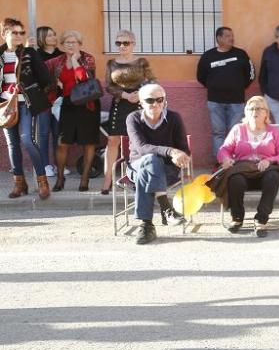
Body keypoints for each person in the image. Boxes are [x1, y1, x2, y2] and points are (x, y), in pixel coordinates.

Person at [215, 95, 279, 238]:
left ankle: (261, 219)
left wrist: (269, 160)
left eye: (258, 108)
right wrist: (225, 159)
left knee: (273, 177)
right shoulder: (238, 129)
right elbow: (223, 150)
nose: (254, 112)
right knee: (234, 178)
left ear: (266, 113)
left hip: (265, 172)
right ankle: (237, 218)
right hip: (243, 171)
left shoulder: (274, 132)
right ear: (246, 112)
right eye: (251, 109)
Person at [126, 83, 190, 245]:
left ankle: (146, 225)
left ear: (165, 101)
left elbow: (183, 149)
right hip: (136, 166)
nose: (155, 104)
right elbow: (141, 148)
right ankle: (166, 207)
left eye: (159, 99)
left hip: (167, 170)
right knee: (150, 161)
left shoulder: (174, 118)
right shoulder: (133, 118)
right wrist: (169, 151)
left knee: (148, 171)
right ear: (140, 102)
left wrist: (181, 156)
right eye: (149, 100)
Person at [1, 18, 52, 199]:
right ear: (4, 34)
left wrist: (31, 89)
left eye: (21, 33)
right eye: (14, 32)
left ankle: (42, 182)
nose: (19, 36)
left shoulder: (29, 53)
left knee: (27, 139)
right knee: (12, 144)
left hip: (26, 103)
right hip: (5, 106)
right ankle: (19, 183)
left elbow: (46, 78)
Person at [100, 30, 155, 195]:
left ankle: (135, 176)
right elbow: (109, 85)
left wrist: (139, 94)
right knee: (112, 141)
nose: (122, 46)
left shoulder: (142, 62)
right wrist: (125, 95)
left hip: (139, 104)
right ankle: (107, 179)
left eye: (126, 43)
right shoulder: (111, 63)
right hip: (119, 103)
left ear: (133, 44)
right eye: (118, 43)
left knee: (136, 141)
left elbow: (152, 81)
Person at [47, 30, 101, 192]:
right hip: (68, 104)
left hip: (88, 105)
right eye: (67, 42)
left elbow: (83, 79)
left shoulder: (88, 58)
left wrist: (76, 61)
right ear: (62, 45)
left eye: (74, 42)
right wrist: (55, 83)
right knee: (62, 143)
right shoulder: (57, 61)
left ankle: (84, 179)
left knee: (88, 143)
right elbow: (43, 74)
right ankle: (60, 178)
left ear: (79, 44)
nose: (71, 45)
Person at [197, 27, 255, 158]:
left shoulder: (241, 54)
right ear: (219, 38)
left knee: (237, 132)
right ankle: (221, 162)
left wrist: (239, 87)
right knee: (218, 132)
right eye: (228, 36)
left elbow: (251, 74)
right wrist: (214, 87)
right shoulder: (208, 56)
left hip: (236, 101)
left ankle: (235, 161)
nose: (232, 38)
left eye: (232, 35)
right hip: (215, 101)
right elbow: (200, 76)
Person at [31, 25, 62, 178]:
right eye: (49, 35)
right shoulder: (36, 55)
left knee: (58, 133)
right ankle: (45, 165)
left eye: (54, 34)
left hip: (60, 100)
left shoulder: (62, 55)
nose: (53, 37)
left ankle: (58, 164)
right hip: (43, 100)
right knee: (43, 134)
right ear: (42, 38)